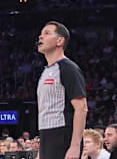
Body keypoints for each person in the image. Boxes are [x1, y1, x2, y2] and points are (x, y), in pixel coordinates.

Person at [36, 21, 87, 159]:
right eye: (41, 34)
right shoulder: (45, 72)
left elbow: (81, 108)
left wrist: (75, 146)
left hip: (63, 135)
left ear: (60, 41)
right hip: (46, 134)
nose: (40, 37)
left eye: (47, 33)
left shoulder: (69, 68)